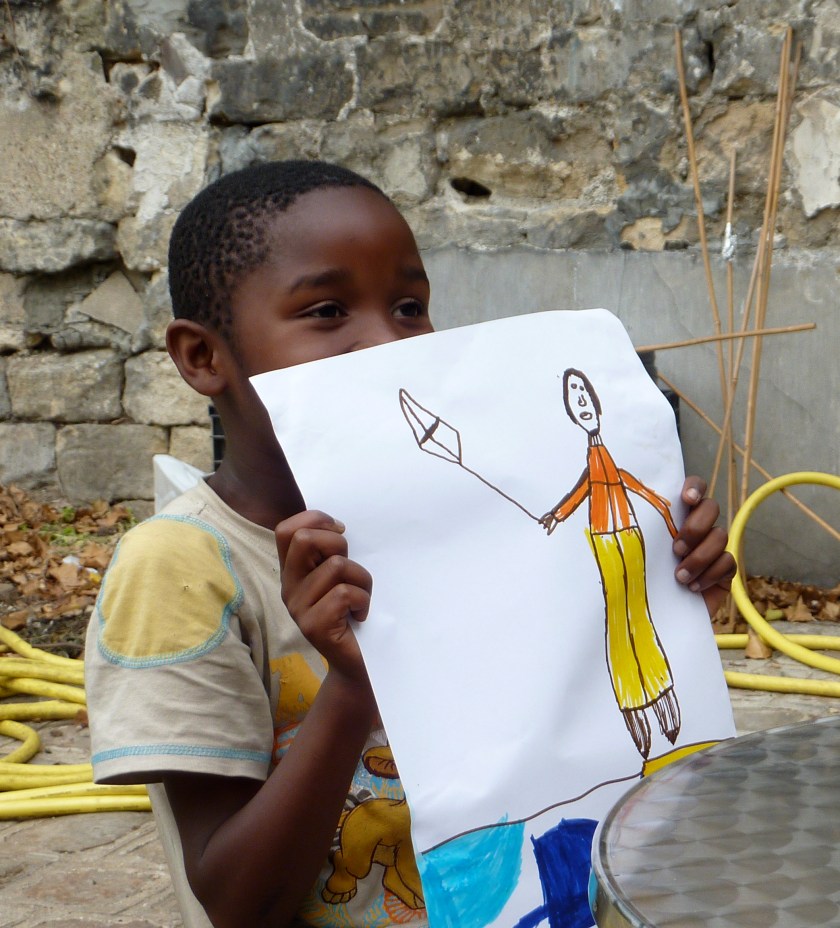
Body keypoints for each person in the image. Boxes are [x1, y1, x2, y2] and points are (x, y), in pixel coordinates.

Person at [85, 160, 736, 928]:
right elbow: (235, 903)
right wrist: (357, 683)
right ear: (203, 358)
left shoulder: (458, 522)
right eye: (327, 310)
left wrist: (665, 580)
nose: (388, 343)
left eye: (408, 306)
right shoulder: (181, 569)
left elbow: (551, 701)